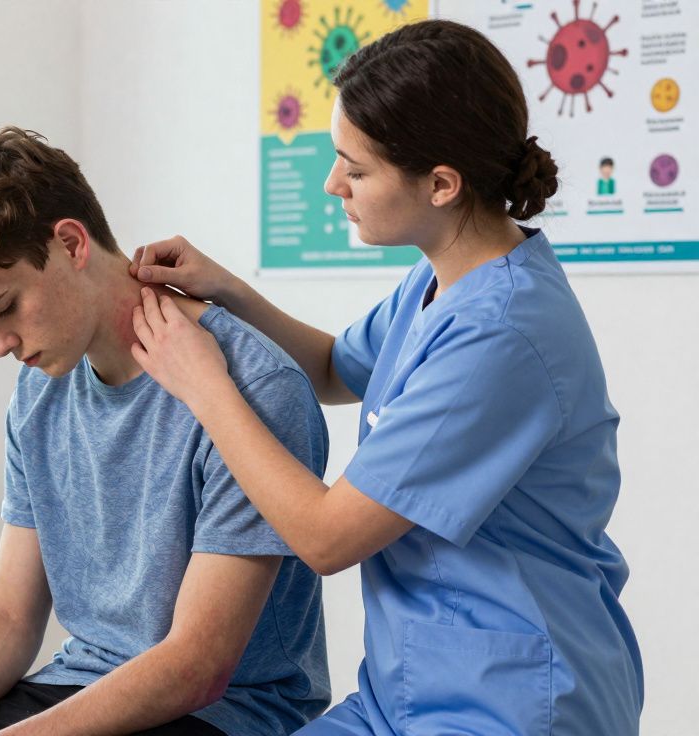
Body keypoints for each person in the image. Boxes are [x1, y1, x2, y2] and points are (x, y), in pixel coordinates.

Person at [128, 19, 642, 736]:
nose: (333, 182)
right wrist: (230, 292)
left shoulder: (501, 333)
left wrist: (204, 385)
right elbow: (339, 368)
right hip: (405, 691)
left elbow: (326, 539)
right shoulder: (440, 281)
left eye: (356, 168)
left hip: (512, 702)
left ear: (440, 184)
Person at [0, 127, 330, 735]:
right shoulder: (39, 388)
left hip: (224, 713)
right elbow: (10, 616)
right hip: (79, 687)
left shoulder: (253, 387)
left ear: (70, 243)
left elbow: (197, 667)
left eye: (4, 307)